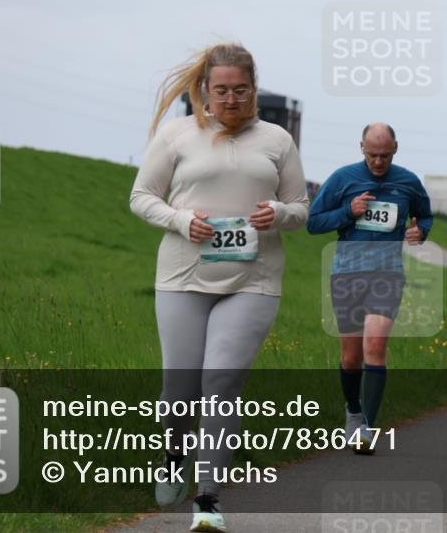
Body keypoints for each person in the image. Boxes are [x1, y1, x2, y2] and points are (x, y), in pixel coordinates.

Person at [129, 43, 309, 533]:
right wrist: (182, 219)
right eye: (222, 90)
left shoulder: (276, 139)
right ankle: (172, 454)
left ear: (253, 89)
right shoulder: (177, 135)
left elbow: (300, 207)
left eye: (241, 90)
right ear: (205, 91)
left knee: (222, 383)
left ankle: (207, 498)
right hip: (184, 277)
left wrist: (280, 214)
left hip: (253, 278)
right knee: (180, 392)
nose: (231, 100)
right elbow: (141, 197)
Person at [306, 123, 433, 453]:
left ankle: (368, 431)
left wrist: (422, 232)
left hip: (387, 275)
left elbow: (425, 215)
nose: (378, 162)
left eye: (385, 155)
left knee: (375, 346)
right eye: (373, 155)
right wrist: (348, 211)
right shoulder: (343, 179)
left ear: (396, 149)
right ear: (361, 147)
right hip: (346, 274)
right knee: (351, 358)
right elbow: (313, 223)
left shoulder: (408, 182)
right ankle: (353, 411)